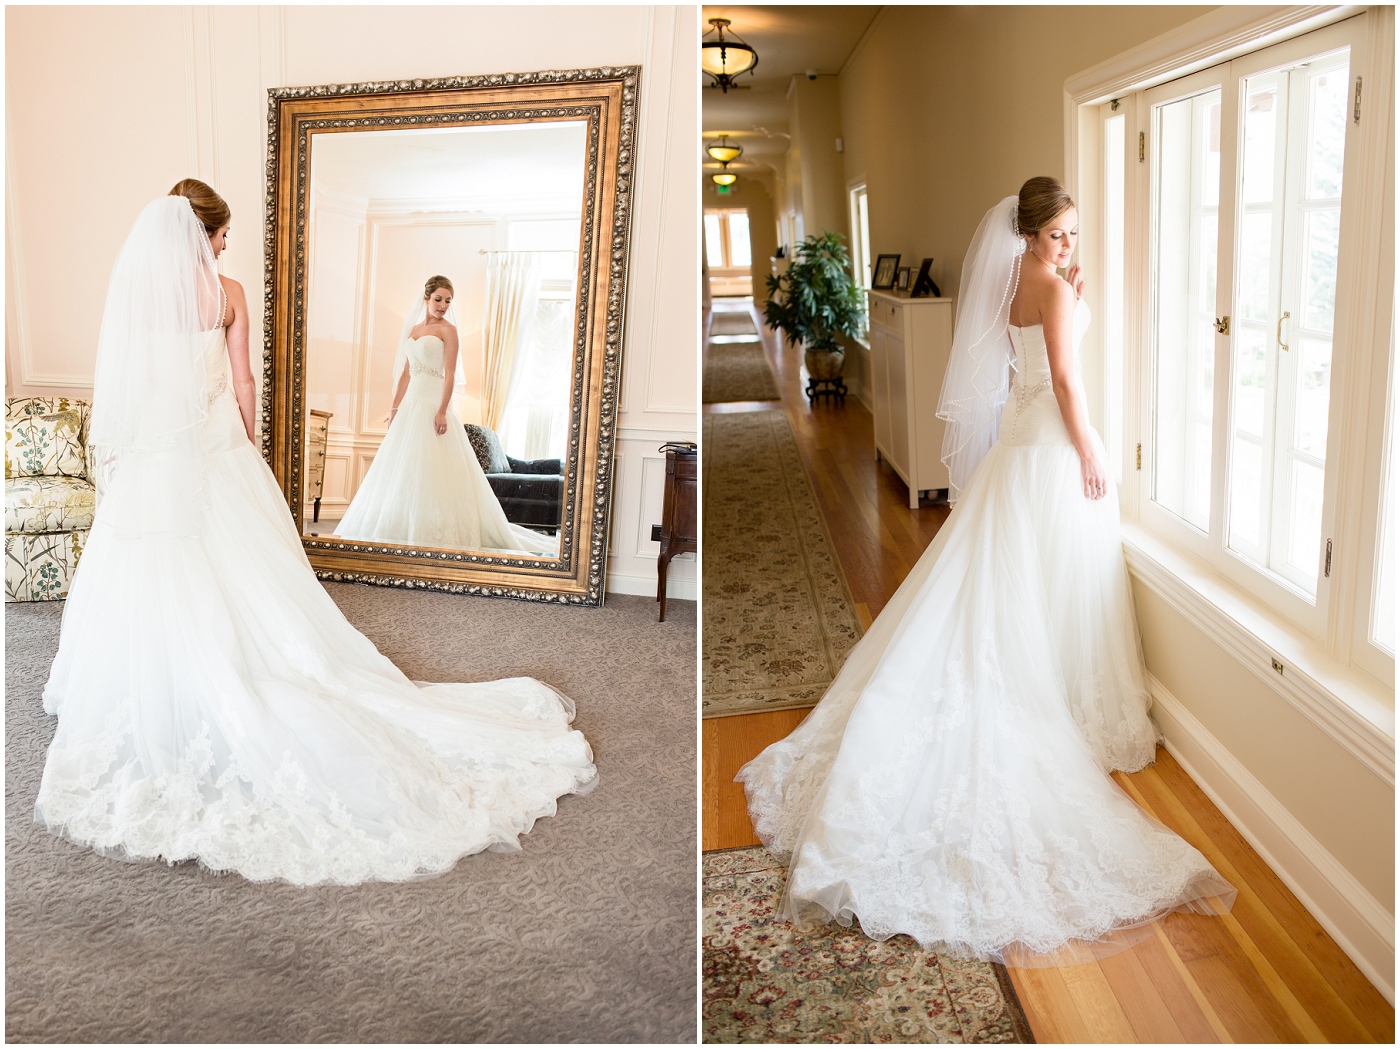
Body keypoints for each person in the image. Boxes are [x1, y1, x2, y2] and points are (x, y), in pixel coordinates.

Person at [36, 181, 596, 886]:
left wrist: (138, 449)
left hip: (154, 456)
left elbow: (136, 385)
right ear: (201, 233)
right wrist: (248, 449)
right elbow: (241, 384)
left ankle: (165, 684)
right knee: (248, 577)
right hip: (213, 451)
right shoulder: (228, 292)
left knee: (153, 570)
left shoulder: (142, 293)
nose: (222, 247)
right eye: (220, 235)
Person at [737, 177, 1235, 966]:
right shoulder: (1053, 288)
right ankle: (1064, 702)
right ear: (1031, 231)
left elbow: (1033, 349)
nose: (1069, 246)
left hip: (1018, 443)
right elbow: (1068, 380)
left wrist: (1070, 288)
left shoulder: (1010, 280)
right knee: (1056, 579)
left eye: (1074, 234)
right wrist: (1093, 451)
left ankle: (1045, 687)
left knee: (1015, 583)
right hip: (1051, 445)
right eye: (1059, 234)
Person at [335, 277, 555, 554]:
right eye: (438, 299)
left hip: (432, 402)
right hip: (411, 404)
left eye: (448, 300)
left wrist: (442, 411)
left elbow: (451, 374)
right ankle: (403, 525)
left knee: (434, 467)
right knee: (404, 468)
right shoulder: (414, 329)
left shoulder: (449, 331)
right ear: (426, 298)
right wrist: (394, 409)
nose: (443, 305)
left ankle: (435, 530)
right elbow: (405, 373)